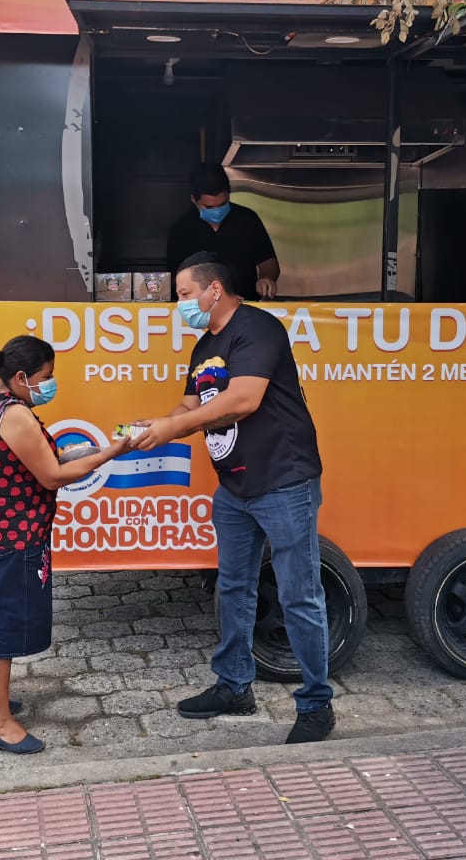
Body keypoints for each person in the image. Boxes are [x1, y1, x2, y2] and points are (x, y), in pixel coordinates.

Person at [126, 251, 333, 744]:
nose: (180, 304)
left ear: (213, 289)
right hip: (235, 486)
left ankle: (315, 704)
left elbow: (243, 399)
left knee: (298, 594)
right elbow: (191, 405)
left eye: (183, 294)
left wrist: (175, 425)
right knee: (233, 587)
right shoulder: (204, 347)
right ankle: (235, 686)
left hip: (283, 481)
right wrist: (157, 426)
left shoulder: (257, 329)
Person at [0, 337, 128, 754]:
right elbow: (52, 476)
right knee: (2, 621)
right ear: (21, 378)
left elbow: (19, 461)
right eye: (46, 378)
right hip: (15, 535)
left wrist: (76, 452)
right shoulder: (16, 415)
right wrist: (111, 451)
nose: (49, 385)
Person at [166, 163, 280, 302]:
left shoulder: (247, 220)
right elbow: (173, 278)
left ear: (229, 194)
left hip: (245, 304)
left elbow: (269, 263)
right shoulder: (181, 230)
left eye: (223, 204)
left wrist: (266, 279)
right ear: (194, 200)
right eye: (209, 207)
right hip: (200, 308)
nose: (217, 210)